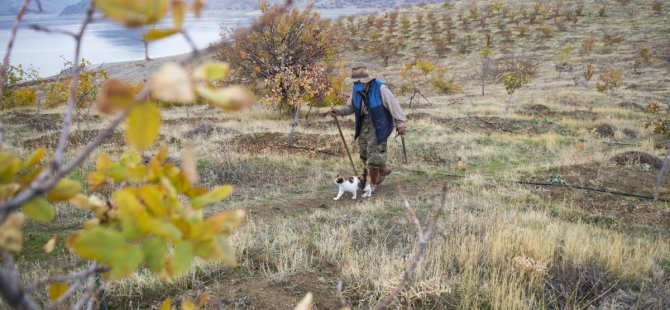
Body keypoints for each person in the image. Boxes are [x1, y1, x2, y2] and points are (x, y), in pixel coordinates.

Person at [328, 65, 406, 194]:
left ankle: (372, 183)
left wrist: (400, 124)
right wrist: (339, 111)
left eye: (359, 82)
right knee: (364, 153)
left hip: (380, 123)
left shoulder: (381, 88)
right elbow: (351, 107)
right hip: (364, 123)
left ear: (366, 80)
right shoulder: (355, 90)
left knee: (374, 156)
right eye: (355, 82)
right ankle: (383, 169)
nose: (357, 84)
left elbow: (394, 106)